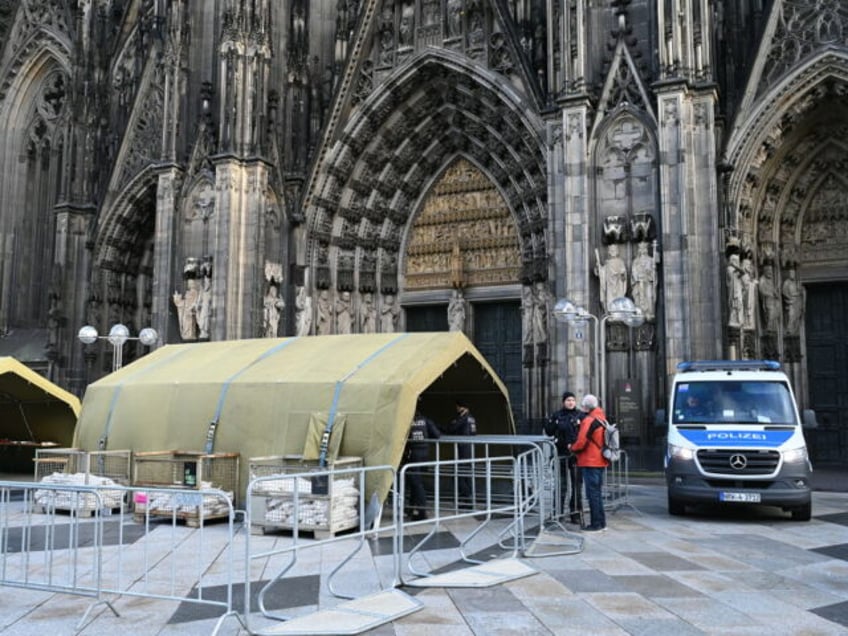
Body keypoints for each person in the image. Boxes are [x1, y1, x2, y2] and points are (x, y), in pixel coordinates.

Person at [568, 394, 610, 532]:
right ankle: (601, 522)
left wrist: (571, 447)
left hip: (590, 461)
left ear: (586, 406)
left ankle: (596, 524)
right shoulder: (602, 417)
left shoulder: (589, 420)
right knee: (597, 493)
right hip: (600, 460)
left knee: (592, 494)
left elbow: (581, 442)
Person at [544, 392, 583, 524]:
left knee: (577, 486)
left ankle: (575, 513)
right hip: (560, 453)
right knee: (561, 484)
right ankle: (558, 512)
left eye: (572, 400)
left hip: (576, 455)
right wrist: (548, 421)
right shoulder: (557, 415)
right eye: (568, 400)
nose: (570, 402)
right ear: (563, 402)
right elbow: (549, 431)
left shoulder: (580, 415)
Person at [403, 409, 441, 521]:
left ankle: (422, 511)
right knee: (416, 482)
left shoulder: (407, 422)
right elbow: (437, 435)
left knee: (416, 483)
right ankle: (411, 508)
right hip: (425, 455)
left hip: (413, 454)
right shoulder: (425, 420)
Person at [443, 399, 477, 502]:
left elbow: (451, 428)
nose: (457, 409)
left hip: (463, 449)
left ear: (462, 407)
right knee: (466, 474)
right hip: (469, 449)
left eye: (458, 407)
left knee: (458, 475)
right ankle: (468, 496)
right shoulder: (472, 418)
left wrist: (449, 425)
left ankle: (466, 496)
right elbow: (474, 432)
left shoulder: (463, 418)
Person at [595, 244, 627, 313]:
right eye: (611, 250)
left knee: (618, 301)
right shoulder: (607, 263)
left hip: (618, 285)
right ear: (609, 252)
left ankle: (618, 312)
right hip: (610, 286)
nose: (613, 251)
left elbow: (624, 275)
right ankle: (611, 313)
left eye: (614, 250)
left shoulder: (620, 262)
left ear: (617, 251)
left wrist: (621, 275)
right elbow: (602, 273)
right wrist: (599, 268)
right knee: (610, 301)